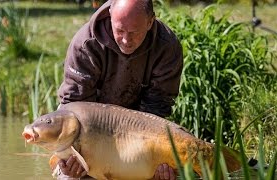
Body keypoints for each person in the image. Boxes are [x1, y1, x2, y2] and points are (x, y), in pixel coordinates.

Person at [57, 0, 183, 179]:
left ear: (150, 22)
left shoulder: (167, 46)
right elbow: (74, 107)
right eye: (120, 31)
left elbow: (157, 109)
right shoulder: (86, 44)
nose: (126, 40)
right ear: (110, 16)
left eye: (133, 32)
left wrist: (149, 162)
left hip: (140, 131)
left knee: (162, 174)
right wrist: (75, 155)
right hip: (90, 130)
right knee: (71, 172)